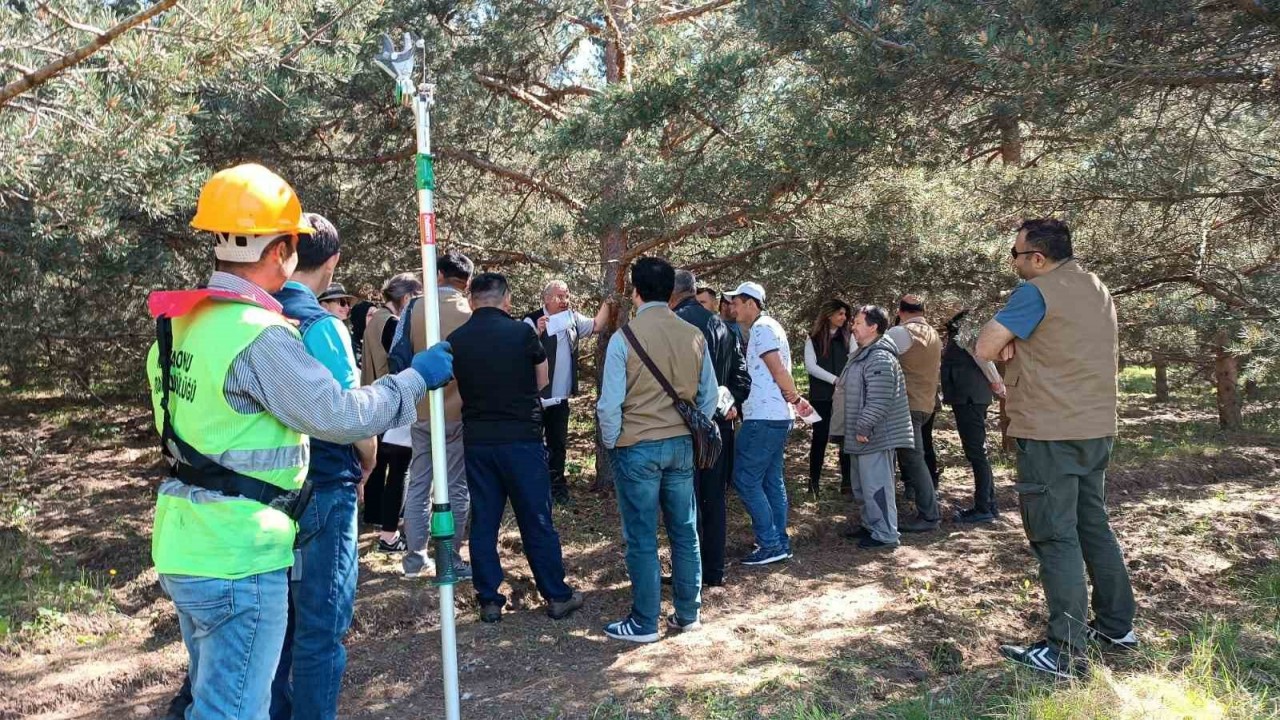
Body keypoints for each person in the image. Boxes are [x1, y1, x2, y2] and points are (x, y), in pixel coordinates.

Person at [147, 163, 452, 720]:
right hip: (240, 553)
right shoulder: (258, 336)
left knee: (212, 699)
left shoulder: (181, 323)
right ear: (282, 248)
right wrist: (414, 379)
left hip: (184, 543)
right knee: (234, 710)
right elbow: (338, 414)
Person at [976, 217, 1137, 678]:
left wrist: (1011, 345)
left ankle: (1064, 652)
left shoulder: (1036, 292)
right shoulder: (1096, 286)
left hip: (1050, 431)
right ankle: (1116, 627)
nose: (1014, 263)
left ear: (1039, 258)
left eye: (1016, 255)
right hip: (1096, 426)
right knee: (1093, 526)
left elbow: (984, 346)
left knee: (1055, 536)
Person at [268, 213, 378, 720]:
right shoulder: (324, 328)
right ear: (331, 262)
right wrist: (367, 468)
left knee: (276, 626)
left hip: (268, 490)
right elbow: (354, 417)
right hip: (325, 487)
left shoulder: (258, 318)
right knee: (322, 625)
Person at [448, 272, 585, 623]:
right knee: (536, 518)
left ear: (472, 300)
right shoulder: (522, 332)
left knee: (484, 521)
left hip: (479, 440)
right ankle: (556, 594)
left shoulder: (457, 340)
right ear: (505, 299)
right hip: (522, 438)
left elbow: (461, 389)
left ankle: (489, 599)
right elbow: (542, 380)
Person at [597, 257, 717, 642]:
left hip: (637, 446)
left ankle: (645, 621)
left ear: (635, 292)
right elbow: (709, 397)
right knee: (684, 531)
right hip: (681, 445)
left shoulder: (624, 338)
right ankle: (688, 613)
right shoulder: (693, 335)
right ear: (671, 293)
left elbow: (608, 404)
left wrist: (614, 441)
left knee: (642, 536)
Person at [392, 251, 475, 579]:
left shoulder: (414, 307)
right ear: (466, 281)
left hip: (422, 408)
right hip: (459, 410)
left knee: (419, 481)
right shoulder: (471, 312)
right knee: (456, 484)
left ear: (438, 274)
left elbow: (397, 354)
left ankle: (414, 558)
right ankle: (451, 558)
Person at [670, 270, 750, 587]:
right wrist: (730, 405)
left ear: (672, 293)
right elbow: (742, 380)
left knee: (684, 499)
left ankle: (689, 572)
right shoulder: (724, 327)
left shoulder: (674, 324)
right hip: (719, 425)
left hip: (684, 423)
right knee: (713, 499)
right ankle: (714, 570)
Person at [727, 281, 808, 566]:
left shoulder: (762, 329)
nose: (732, 307)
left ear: (751, 303)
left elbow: (777, 368)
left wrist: (795, 397)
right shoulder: (771, 326)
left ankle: (771, 543)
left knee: (745, 479)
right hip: (775, 416)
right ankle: (779, 541)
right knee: (771, 480)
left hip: (764, 417)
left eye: (736, 302)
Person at [522, 280, 611, 504]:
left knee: (558, 444)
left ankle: (558, 489)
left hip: (560, 397)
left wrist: (610, 301)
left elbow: (596, 325)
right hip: (535, 397)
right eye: (559, 296)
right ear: (545, 299)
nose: (564, 301)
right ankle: (530, 488)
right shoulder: (530, 320)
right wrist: (537, 331)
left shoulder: (572, 318)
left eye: (567, 296)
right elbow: (519, 351)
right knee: (531, 444)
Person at [836, 305, 916, 550]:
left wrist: (863, 427)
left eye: (858, 323)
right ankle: (871, 526)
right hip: (861, 437)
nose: (853, 327)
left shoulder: (879, 356)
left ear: (873, 327)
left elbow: (879, 399)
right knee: (862, 486)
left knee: (877, 486)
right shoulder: (864, 353)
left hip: (875, 437)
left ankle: (885, 534)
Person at [361, 274, 424, 549]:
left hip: (373, 399)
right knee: (400, 469)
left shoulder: (375, 319)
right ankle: (390, 530)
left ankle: (374, 515)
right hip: (391, 401)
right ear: (407, 297)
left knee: (379, 464)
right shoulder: (393, 323)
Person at [884, 294, 942, 532]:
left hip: (907, 405)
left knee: (914, 460)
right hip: (926, 404)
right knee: (915, 458)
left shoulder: (900, 333)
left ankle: (929, 515)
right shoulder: (934, 334)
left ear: (900, 311)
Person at [942, 309, 1006, 523]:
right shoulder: (960, 332)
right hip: (968, 398)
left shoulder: (966, 332)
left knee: (977, 453)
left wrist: (996, 383)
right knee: (977, 452)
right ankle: (988, 504)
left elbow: (982, 358)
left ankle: (984, 507)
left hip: (969, 398)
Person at [803, 300, 853, 497]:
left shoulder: (848, 337)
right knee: (819, 437)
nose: (844, 318)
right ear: (829, 314)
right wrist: (835, 380)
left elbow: (854, 358)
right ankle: (813, 482)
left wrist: (844, 382)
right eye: (840, 313)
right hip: (821, 396)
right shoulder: (813, 338)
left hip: (844, 395)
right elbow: (811, 366)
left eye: (845, 314)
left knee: (845, 437)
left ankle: (847, 482)